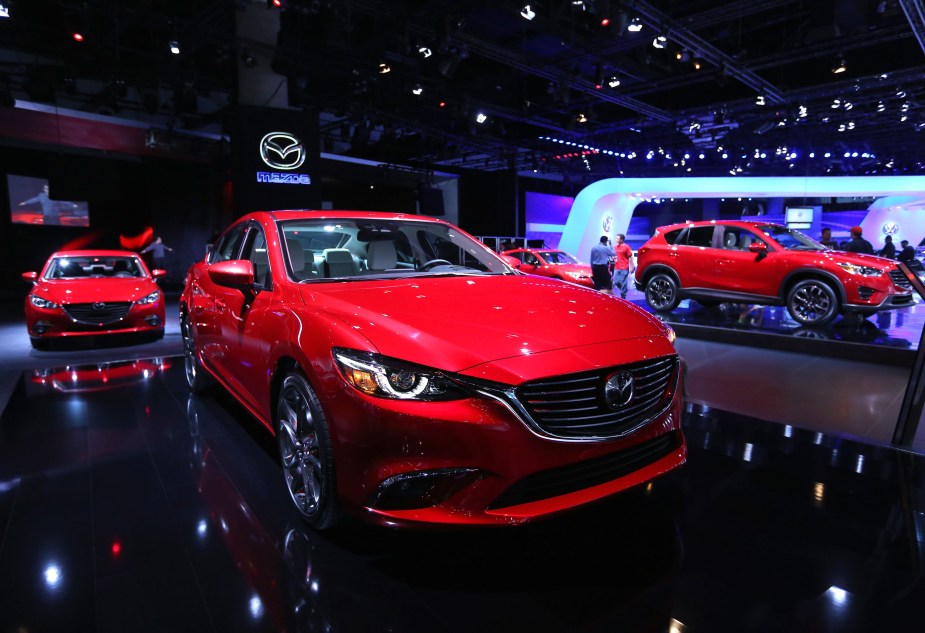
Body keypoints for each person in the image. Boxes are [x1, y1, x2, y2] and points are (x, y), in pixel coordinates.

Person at [611, 233, 635, 300]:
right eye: (616, 238)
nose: (616, 239)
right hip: (616, 267)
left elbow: (630, 257)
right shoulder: (615, 247)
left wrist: (632, 266)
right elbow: (613, 256)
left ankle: (623, 295)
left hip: (624, 267)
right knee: (616, 282)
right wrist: (611, 263)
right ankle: (624, 290)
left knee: (624, 282)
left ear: (622, 239)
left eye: (617, 238)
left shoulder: (626, 247)